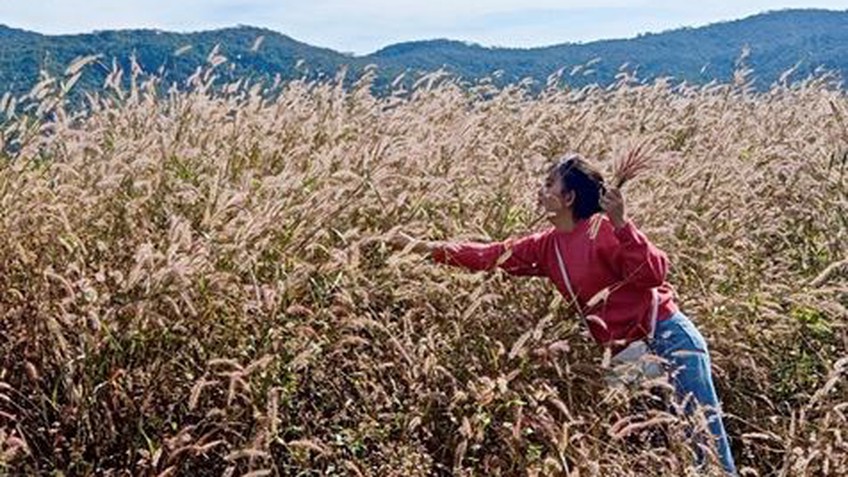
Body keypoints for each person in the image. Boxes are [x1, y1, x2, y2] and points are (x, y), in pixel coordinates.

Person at [386, 153, 737, 475]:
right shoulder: (546, 245)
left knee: (707, 447)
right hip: (625, 358)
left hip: (667, 338)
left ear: (568, 198)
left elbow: (654, 274)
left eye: (549, 184)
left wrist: (622, 224)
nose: (541, 191)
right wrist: (419, 247)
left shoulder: (602, 230)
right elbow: (489, 255)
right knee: (647, 451)